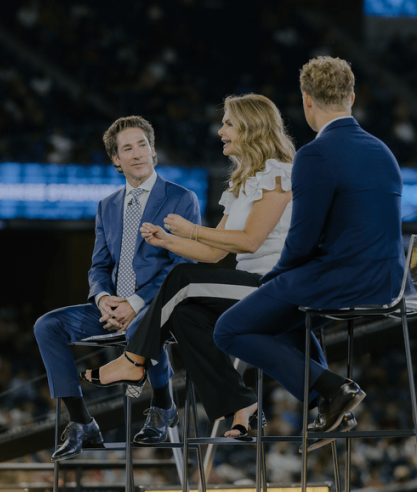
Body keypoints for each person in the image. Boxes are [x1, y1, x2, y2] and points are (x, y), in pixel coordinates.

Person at [213, 56, 406, 442]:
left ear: (307, 102)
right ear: (351, 97)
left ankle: (334, 390)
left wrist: (274, 279)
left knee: (229, 329)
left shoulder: (315, 155)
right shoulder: (383, 150)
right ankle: (332, 407)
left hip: (345, 279)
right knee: (279, 314)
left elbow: (300, 242)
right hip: (390, 280)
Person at [81, 93, 295, 440]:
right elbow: (212, 254)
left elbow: (250, 242)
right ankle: (242, 405)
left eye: (228, 123)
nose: (220, 129)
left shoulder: (278, 174)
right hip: (244, 281)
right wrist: (166, 240)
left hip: (273, 284)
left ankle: (133, 360)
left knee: (181, 276)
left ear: (250, 128)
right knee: (184, 314)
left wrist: (190, 229)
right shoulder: (244, 178)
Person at [34, 116, 201, 461]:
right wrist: (103, 297)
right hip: (113, 309)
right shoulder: (106, 205)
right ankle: (82, 423)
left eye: (142, 145)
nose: (137, 153)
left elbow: (182, 268)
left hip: (160, 305)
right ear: (116, 159)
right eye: (127, 148)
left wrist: (136, 302)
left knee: (144, 323)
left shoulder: (182, 198)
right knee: (47, 325)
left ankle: (163, 404)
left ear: (153, 151)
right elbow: (99, 267)